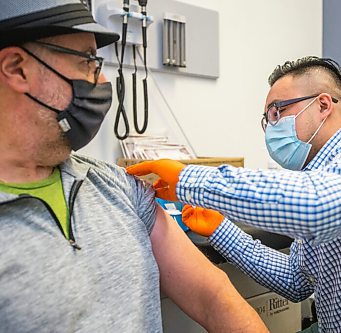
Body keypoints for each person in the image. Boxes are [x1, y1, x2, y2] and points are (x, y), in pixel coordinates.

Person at [127, 56, 341, 332]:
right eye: (267, 118)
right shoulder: (316, 176)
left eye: (279, 111)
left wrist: (190, 179)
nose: (271, 126)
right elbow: (296, 281)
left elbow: (317, 205)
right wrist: (220, 230)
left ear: (322, 105)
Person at [0, 1, 268, 332]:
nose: (101, 81)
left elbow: (212, 296)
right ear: (17, 68)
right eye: (88, 62)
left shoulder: (117, 186)